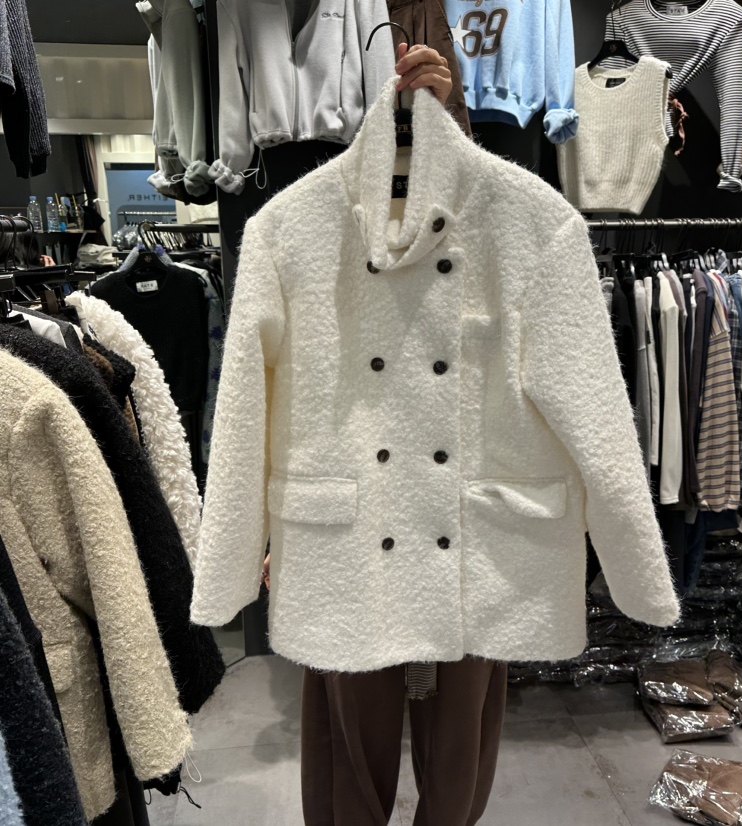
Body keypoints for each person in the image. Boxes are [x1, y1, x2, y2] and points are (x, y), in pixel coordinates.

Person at [259, 45, 508, 826]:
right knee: (350, 732)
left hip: (464, 509)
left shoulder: (496, 227)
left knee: (460, 729)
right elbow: (284, 390)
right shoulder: (315, 228)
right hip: (352, 513)